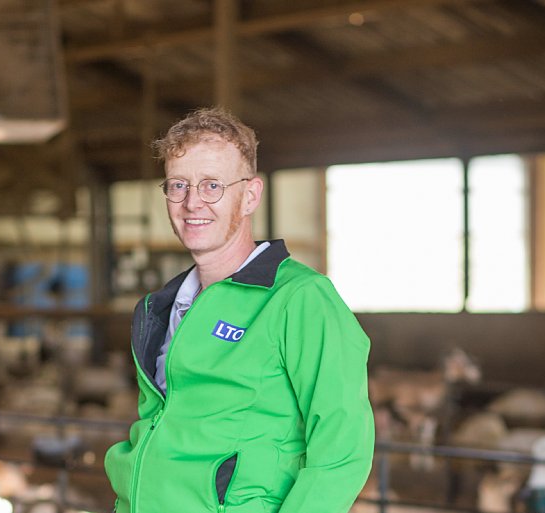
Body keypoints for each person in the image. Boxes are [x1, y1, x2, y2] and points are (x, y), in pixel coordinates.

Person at [104, 106, 374, 513]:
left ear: (249, 195)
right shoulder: (158, 308)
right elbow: (157, 428)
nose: (192, 202)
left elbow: (342, 451)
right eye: (178, 185)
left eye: (212, 185)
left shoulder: (300, 299)